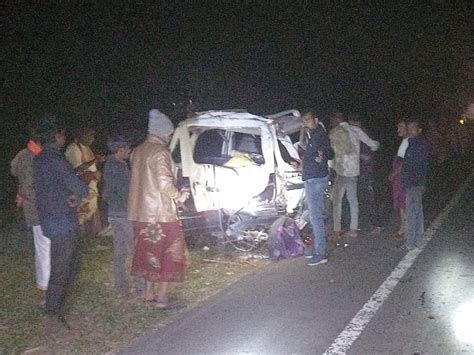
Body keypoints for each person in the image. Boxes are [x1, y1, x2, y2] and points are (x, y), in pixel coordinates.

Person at [128, 109, 189, 309]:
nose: (170, 137)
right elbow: (164, 183)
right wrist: (179, 196)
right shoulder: (161, 152)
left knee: (148, 254)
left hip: (139, 213)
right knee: (168, 255)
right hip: (161, 214)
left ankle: (148, 293)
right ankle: (162, 298)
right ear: (163, 132)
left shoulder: (137, 151)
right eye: (170, 133)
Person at [32, 116, 88, 333]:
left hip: (50, 218)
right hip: (62, 220)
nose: (64, 137)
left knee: (63, 265)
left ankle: (55, 310)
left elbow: (52, 188)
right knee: (64, 267)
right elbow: (78, 186)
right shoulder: (56, 160)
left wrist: (71, 194)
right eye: (62, 134)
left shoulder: (40, 159)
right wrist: (77, 193)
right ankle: (53, 314)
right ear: (55, 136)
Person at [10, 135, 50, 306]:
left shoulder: (25, 154)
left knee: (44, 248)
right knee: (44, 249)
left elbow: (13, 170)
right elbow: (27, 188)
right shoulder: (30, 157)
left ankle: (47, 288)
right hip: (39, 210)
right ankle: (45, 291)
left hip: (38, 209)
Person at [102, 134, 143, 297]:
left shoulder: (108, 165)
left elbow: (107, 192)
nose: (129, 151)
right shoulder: (120, 167)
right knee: (135, 249)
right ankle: (140, 287)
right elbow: (128, 191)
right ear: (120, 149)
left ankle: (121, 287)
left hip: (113, 212)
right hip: (125, 213)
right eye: (127, 148)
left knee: (119, 250)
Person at [329, 112, 380, 240]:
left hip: (342, 170)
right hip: (354, 170)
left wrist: (330, 165)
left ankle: (336, 231)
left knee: (337, 201)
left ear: (336, 119)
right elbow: (373, 145)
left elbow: (333, 154)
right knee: (353, 200)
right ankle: (353, 229)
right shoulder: (355, 130)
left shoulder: (335, 131)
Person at [301, 111, 334, 266]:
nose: (305, 123)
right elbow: (328, 152)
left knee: (315, 217)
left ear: (315, 119)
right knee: (314, 216)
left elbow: (330, 153)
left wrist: (322, 155)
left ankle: (320, 253)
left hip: (315, 178)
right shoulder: (313, 134)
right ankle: (317, 249)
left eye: (308, 120)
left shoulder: (319, 134)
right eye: (304, 121)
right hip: (312, 176)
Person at [348, 117, 384, 236]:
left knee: (370, 199)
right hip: (357, 172)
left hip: (366, 172)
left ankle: (377, 224)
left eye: (354, 124)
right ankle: (361, 224)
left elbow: (370, 154)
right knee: (359, 199)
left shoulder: (364, 137)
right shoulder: (353, 137)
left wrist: (358, 155)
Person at [65, 128, 103, 237]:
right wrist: (95, 161)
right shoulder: (73, 148)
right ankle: (83, 237)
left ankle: (92, 237)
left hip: (90, 185)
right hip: (81, 186)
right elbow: (77, 170)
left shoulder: (85, 147)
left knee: (91, 210)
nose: (92, 139)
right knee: (83, 212)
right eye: (89, 136)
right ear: (80, 135)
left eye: (93, 136)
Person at [400, 119, 430, 251]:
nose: (410, 130)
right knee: (417, 210)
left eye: (413, 128)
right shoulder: (412, 143)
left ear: (419, 130)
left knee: (412, 212)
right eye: (409, 127)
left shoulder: (419, 144)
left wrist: (410, 179)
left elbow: (415, 165)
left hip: (415, 182)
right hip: (414, 182)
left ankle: (410, 241)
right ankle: (417, 239)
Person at [388, 120, 409, 240]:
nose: (398, 130)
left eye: (400, 127)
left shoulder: (408, 142)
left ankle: (403, 228)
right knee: (401, 202)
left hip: (401, 177)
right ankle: (403, 227)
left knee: (403, 201)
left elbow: (404, 161)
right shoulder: (404, 141)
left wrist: (395, 173)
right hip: (400, 176)